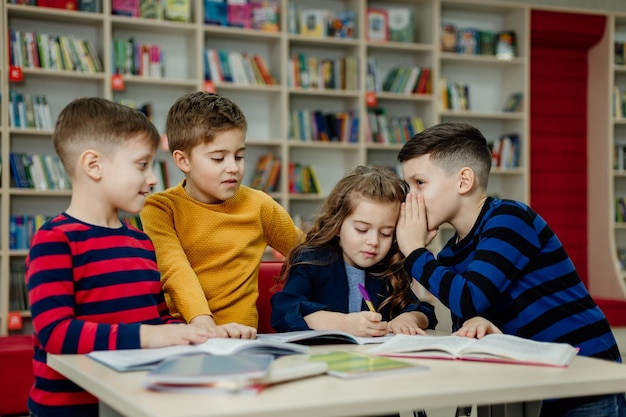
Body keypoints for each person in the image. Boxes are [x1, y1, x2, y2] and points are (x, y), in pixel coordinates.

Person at [395, 122, 625, 417]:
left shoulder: (508, 217)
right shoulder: (452, 252)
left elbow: (471, 297)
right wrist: (474, 325)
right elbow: (468, 320)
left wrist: (414, 251)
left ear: (464, 180)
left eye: (419, 183)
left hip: (582, 379)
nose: (410, 198)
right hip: (533, 385)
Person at [26, 97, 210, 417]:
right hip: (69, 411)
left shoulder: (141, 241)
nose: (153, 178)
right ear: (94, 165)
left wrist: (189, 333)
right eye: (142, 164)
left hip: (132, 401)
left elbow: (156, 319)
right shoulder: (54, 240)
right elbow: (55, 333)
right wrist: (148, 335)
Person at [140, 91, 304, 339]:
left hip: (244, 341)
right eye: (218, 158)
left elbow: (308, 252)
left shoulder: (260, 205)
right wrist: (205, 326)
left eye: (239, 156)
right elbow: (175, 271)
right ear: (183, 161)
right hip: (184, 338)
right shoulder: (160, 208)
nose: (233, 167)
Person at [271, 165, 437, 336]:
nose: (373, 241)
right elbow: (284, 311)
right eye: (361, 229)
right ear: (337, 225)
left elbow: (425, 312)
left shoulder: (388, 268)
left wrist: (410, 318)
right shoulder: (311, 261)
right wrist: (343, 324)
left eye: (385, 233)